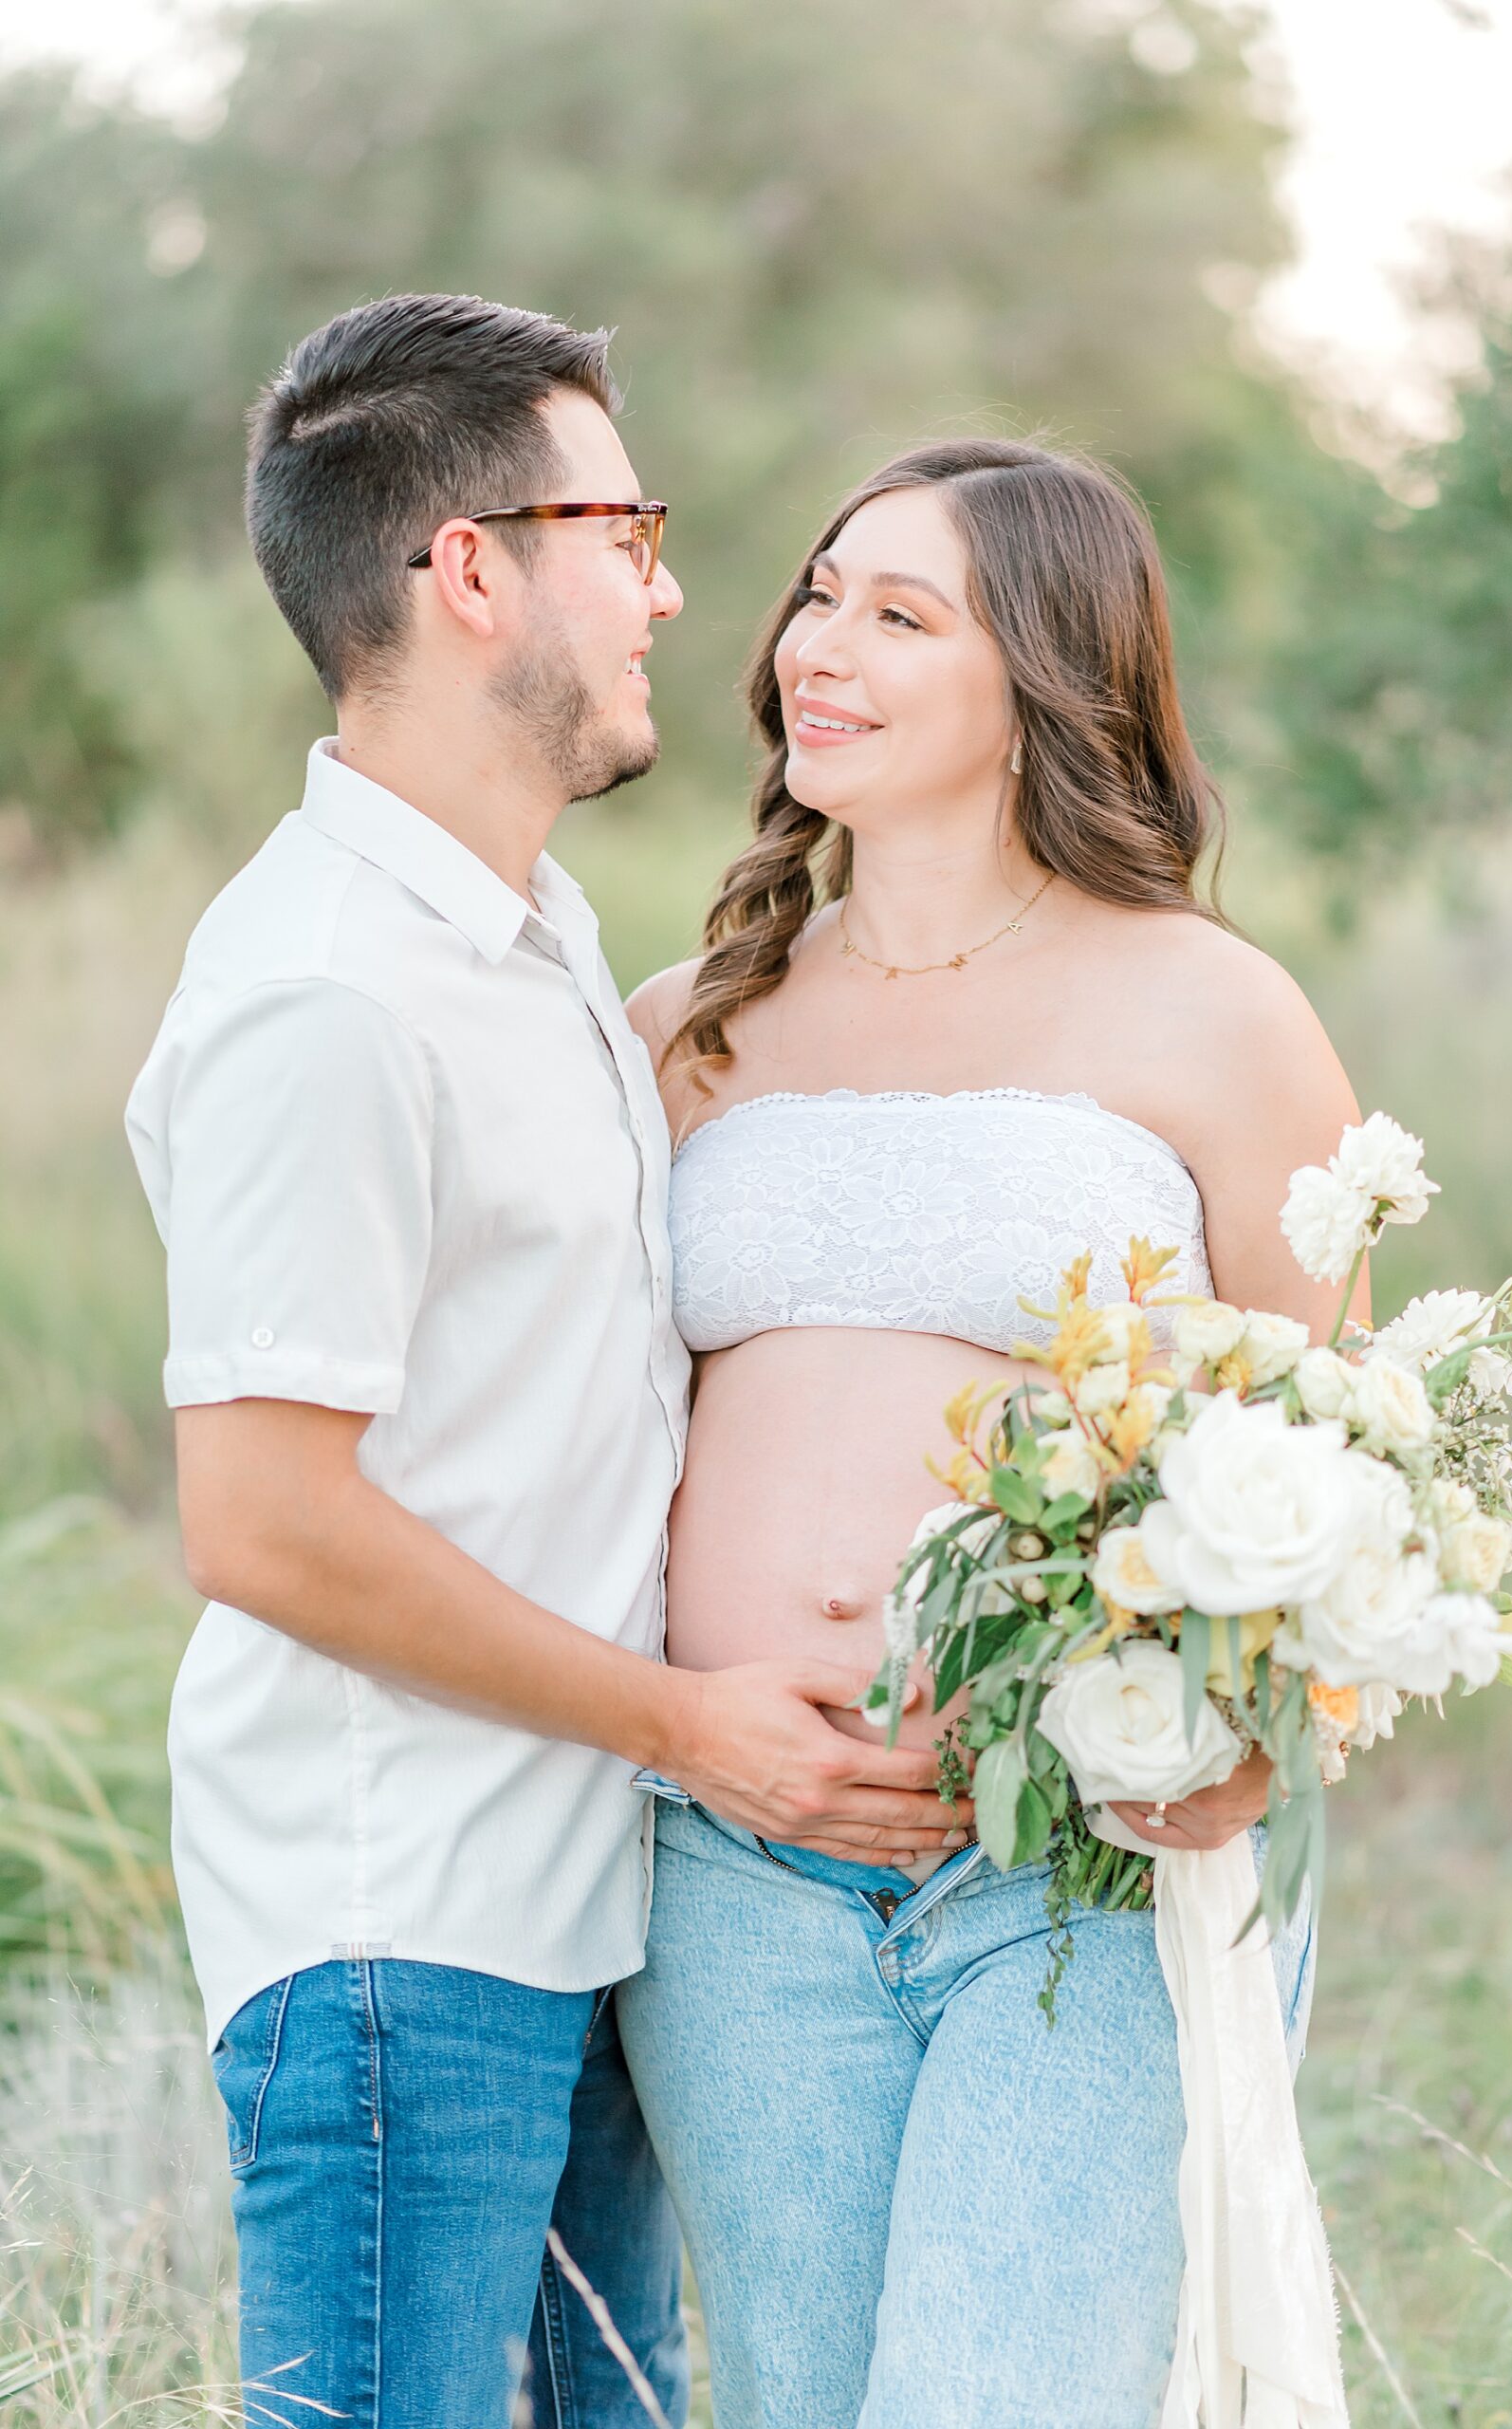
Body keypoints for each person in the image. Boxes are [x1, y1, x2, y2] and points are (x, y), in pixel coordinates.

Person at [123, 294, 966, 2429]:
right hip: (407, 1921)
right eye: (629, 526)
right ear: (473, 565)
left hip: (589, 1892)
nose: (679, 588)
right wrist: (697, 1719)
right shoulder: (325, 990)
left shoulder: (539, 932)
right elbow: (266, 1519)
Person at [618, 436, 1374, 2429]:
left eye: (900, 611)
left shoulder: (1210, 1010)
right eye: (816, 593)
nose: (816, 646)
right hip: (739, 1859)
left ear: (1046, 671)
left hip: (1073, 1856)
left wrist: (1239, 1727)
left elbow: (1351, 1464)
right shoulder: (687, 1022)